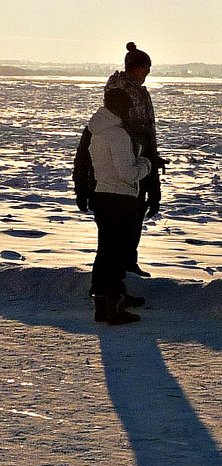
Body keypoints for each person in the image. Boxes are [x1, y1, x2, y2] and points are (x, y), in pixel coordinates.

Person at [86, 88, 153, 325]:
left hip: (102, 195)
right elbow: (126, 174)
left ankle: (102, 305)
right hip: (119, 199)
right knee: (115, 254)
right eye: (127, 107)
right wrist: (145, 165)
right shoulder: (118, 135)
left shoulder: (97, 132)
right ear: (120, 108)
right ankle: (115, 307)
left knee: (104, 252)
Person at [104, 41, 165, 277]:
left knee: (138, 212)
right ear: (134, 68)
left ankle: (129, 261)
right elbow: (131, 127)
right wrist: (145, 151)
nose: (147, 74)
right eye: (144, 69)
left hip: (142, 154)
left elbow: (146, 128)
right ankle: (123, 266)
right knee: (130, 213)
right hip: (129, 158)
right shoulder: (122, 91)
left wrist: (153, 154)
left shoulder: (138, 90)